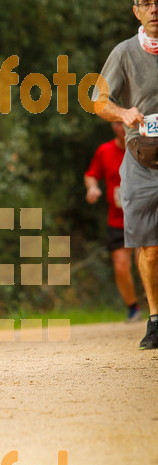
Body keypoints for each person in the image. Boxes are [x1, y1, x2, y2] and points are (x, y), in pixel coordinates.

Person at [94, 0, 158, 349]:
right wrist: (124, 112)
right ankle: (154, 319)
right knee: (148, 247)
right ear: (137, 11)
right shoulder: (124, 53)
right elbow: (96, 100)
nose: (154, 9)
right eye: (147, 3)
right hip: (141, 161)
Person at [84, 122, 141, 322]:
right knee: (120, 266)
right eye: (118, 123)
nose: (122, 127)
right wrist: (92, 188)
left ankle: (155, 309)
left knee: (143, 261)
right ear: (111, 124)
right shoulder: (104, 151)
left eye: (126, 123)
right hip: (117, 220)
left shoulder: (145, 147)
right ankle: (133, 307)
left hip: (144, 216)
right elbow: (91, 175)